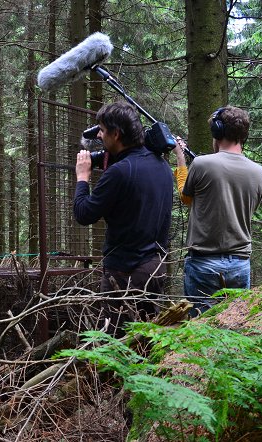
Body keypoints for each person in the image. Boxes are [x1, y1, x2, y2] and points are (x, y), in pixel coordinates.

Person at [74, 101, 173, 333]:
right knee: (145, 339)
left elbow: (83, 213)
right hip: (155, 268)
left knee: (115, 342)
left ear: (116, 134)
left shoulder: (121, 172)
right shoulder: (161, 166)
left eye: (102, 130)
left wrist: (82, 177)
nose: (99, 135)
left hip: (125, 273)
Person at [173, 105, 262, 317]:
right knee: (234, 327)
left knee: (201, 332)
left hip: (204, 262)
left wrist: (180, 158)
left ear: (217, 131)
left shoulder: (201, 164)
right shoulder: (259, 173)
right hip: (240, 263)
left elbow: (186, 197)